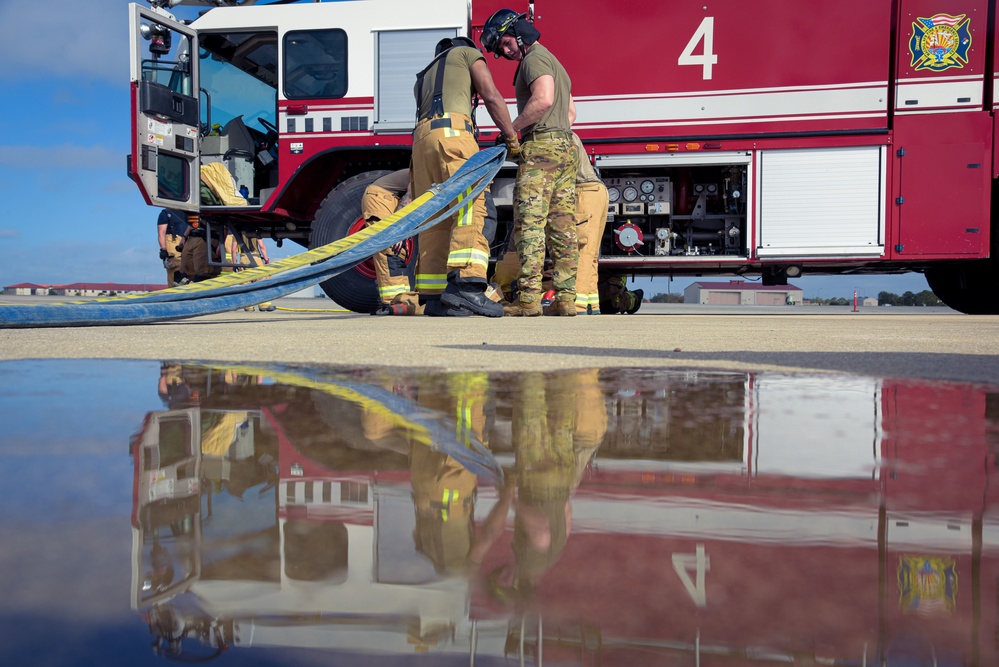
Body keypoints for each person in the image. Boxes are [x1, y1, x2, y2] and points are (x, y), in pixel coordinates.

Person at [411, 35, 519, 317]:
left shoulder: (422, 77)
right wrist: (511, 139)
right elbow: (492, 95)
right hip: (454, 135)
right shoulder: (467, 55)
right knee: (473, 206)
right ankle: (467, 287)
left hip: (421, 143)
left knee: (434, 216)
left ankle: (435, 297)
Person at [481, 9, 579, 317]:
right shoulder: (554, 61)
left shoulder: (533, 60)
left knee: (530, 226)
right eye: (501, 50)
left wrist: (512, 130)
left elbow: (544, 100)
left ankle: (528, 300)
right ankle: (565, 299)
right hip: (565, 147)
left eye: (506, 43)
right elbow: (570, 114)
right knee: (563, 227)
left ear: (519, 31)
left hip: (541, 150)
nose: (506, 52)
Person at [361, 170, 419, 315]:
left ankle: (403, 299)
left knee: (399, 253)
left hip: (392, 199)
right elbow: (408, 197)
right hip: (380, 198)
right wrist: (399, 231)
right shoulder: (425, 170)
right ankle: (393, 302)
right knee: (391, 250)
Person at [228, 231, 276, 311]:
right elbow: (262, 246)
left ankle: (248, 306)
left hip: (243, 259)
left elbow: (234, 250)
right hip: (256, 258)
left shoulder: (237, 233)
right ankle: (264, 305)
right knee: (262, 281)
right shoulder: (256, 231)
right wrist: (267, 260)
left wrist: (234, 264)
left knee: (246, 283)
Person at [157, 208, 190, 286]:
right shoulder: (166, 213)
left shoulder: (189, 212)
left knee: (189, 269)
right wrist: (163, 249)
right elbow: (161, 232)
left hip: (187, 242)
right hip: (173, 243)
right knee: (176, 268)